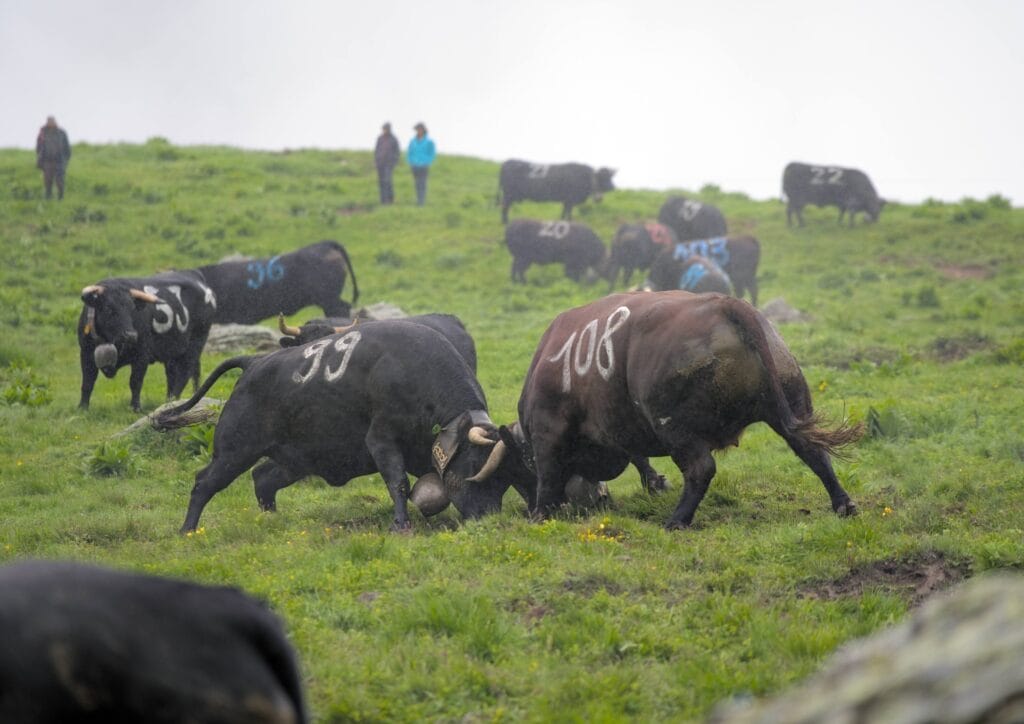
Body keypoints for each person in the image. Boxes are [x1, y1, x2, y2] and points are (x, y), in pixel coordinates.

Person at [35, 116, 72, 200]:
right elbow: (38, 147)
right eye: (49, 121)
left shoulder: (62, 133)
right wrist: (40, 159)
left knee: (60, 181)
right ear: (47, 122)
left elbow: (67, 149)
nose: (51, 123)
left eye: (52, 121)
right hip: (47, 161)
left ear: (55, 122)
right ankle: (48, 198)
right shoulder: (43, 133)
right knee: (48, 182)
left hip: (59, 161)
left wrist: (65, 161)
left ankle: (60, 198)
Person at [407, 122, 436, 206]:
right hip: (414, 165)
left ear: (423, 130)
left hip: (424, 166)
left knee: (422, 183)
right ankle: (418, 199)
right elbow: (409, 152)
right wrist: (410, 161)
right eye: (417, 129)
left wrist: (427, 162)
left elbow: (432, 153)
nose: (418, 131)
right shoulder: (412, 141)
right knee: (416, 183)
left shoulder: (429, 141)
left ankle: (421, 201)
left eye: (420, 129)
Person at [374, 122, 400, 204]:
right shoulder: (380, 138)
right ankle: (383, 200)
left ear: (389, 129)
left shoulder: (393, 139)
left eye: (386, 129)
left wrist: (394, 161)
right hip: (380, 163)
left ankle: (389, 199)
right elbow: (377, 150)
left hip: (389, 164)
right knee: (381, 182)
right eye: (383, 129)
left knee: (387, 181)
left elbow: (397, 151)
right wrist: (376, 160)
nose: (384, 130)